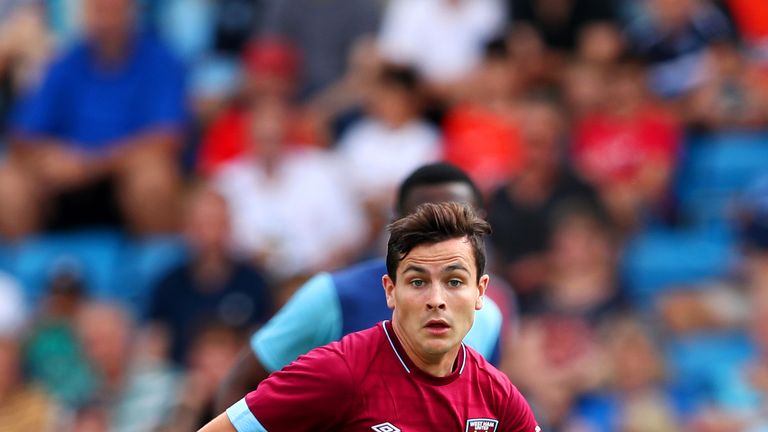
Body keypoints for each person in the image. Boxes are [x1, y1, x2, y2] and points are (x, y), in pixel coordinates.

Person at [202, 202, 539, 431]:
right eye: (418, 282)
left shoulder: (497, 395)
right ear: (390, 291)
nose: (436, 300)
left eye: (454, 282)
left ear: (480, 292)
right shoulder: (338, 371)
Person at [216, 162, 505, 411]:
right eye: (423, 223)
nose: (439, 237)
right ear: (396, 224)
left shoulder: (488, 315)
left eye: (455, 221)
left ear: (480, 223)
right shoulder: (332, 295)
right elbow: (241, 383)